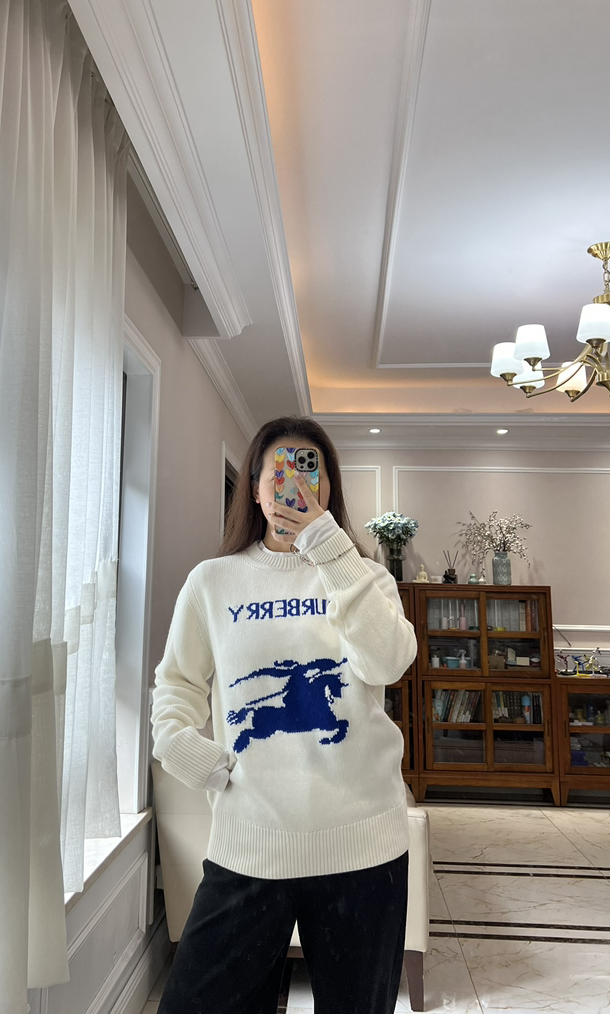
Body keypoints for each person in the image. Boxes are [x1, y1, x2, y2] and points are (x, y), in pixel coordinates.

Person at [151, 416, 418, 1014]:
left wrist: (328, 546)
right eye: (279, 470)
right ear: (254, 488)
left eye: (308, 469)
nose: (293, 483)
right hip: (248, 844)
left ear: (329, 487)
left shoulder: (367, 578)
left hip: (363, 848)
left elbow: (389, 662)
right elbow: (177, 683)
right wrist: (181, 747)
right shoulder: (213, 582)